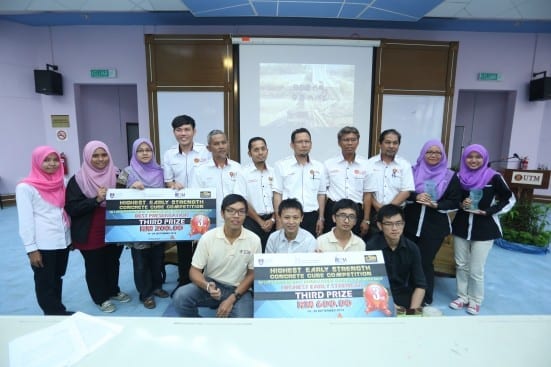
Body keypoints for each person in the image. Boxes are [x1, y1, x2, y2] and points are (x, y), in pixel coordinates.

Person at [65, 140, 131, 313]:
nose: (101, 159)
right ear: (87, 157)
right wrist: (96, 200)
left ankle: (113, 290)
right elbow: (72, 207)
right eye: (95, 155)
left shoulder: (117, 174)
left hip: (115, 226)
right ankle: (100, 298)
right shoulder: (78, 180)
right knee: (95, 265)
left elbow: (126, 197)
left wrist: (135, 188)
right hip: (90, 228)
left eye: (104, 155)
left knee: (112, 261)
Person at [449, 144, 515, 315]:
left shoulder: (494, 177)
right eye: (470, 157)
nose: (473, 160)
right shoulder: (459, 176)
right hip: (462, 226)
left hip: (485, 228)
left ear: (484, 158)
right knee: (461, 264)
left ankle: (475, 300)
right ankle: (462, 296)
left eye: (478, 157)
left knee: (476, 268)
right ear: (464, 158)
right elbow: (454, 197)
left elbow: (509, 199)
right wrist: (460, 204)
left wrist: (490, 211)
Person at [172, 194, 261, 318]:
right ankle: (199, 325)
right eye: (231, 211)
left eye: (241, 211)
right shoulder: (208, 237)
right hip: (211, 284)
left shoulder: (254, 240)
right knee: (180, 296)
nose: (236, 215)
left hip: (239, 289)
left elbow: (252, 274)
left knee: (243, 321)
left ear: (246, 215)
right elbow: (194, 271)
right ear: (222, 213)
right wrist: (207, 286)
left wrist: (231, 299)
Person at [15, 146, 73, 315]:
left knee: (57, 277)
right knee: (44, 281)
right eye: (46, 160)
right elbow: (25, 221)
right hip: (43, 243)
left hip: (63, 240)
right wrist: (31, 249)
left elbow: (64, 211)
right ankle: (54, 314)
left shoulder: (62, 181)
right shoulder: (25, 187)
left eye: (55, 160)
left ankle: (57, 309)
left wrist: (69, 238)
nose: (52, 164)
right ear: (37, 162)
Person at [403, 139, 461, 305]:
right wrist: (416, 196)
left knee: (425, 262)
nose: (433, 155)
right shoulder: (412, 171)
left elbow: (455, 201)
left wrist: (436, 205)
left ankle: (425, 298)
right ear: (423, 153)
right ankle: (406, 293)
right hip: (410, 224)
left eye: (438, 153)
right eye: (429, 152)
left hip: (434, 227)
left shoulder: (450, 176)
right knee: (407, 259)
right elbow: (404, 190)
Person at [117, 138, 169, 309]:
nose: (145, 153)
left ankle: (157, 287)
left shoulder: (160, 171)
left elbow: (169, 191)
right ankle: (145, 294)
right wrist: (129, 188)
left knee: (157, 259)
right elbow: (116, 193)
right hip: (137, 225)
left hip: (158, 224)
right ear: (134, 152)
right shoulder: (126, 172)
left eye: (148, 150)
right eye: (140, 150)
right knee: (140, 263)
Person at [162, 115, 210, 287]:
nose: (183, 133)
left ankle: (201, 283)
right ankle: (183, 282)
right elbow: (168, 181)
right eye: (179, 130)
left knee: (203, 246)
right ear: (174, 132)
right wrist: (172, 184)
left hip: (202, 207)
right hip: (180, 207)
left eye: (187, 129)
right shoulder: (169, 154)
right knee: (183, 247)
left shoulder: (205, 151)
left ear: (194, 131)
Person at [366, 204, 426, 310]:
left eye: (399, 223)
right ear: (380, 226)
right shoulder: (371, 247)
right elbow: (371, 284)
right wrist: (392, 308)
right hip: (378, 296)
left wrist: (412, 313)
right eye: (388, 224)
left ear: (403, 224)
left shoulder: (412, 248)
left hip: (403, 295)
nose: (394, 228)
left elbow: (420, 285)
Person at [272, 128, 327, 237]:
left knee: (310, 250)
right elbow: (277, 194)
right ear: (292, 145)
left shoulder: (319, 166)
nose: (304, 145)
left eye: (307, 142)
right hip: (289, 216)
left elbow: (321, 194)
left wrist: (321, 218)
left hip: (311, 216)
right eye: (300, 142)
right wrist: (279, 220)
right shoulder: (281, 165)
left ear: (311, 144)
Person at [364, 129, 415, 238]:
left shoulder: (404, 165)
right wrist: (377, 206)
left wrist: (387, 209)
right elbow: (366, 190)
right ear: (380, 144)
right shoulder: (369, 164)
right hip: (374, 212)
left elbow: (406, 191)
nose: (391, 146)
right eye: (388, 142)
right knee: (374, 245)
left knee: (394, 245)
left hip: (397, 213)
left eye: (395, 143)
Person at [323, 126, 370, 237]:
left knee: (354, 244)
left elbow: (368, 194)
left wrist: (366, 220)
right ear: (339, 142)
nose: (350, 143)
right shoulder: (329, 164)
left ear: (358, 142)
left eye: (353, 140)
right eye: (346, 140)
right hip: (333, 210)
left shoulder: (366, 164)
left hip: (356, 210)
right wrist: (322, 217)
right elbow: (323, 193)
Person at [191, 130, 242, 227]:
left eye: (223, 142)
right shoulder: (200, 171)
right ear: (209, 148)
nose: (221, 146)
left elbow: (242, 196)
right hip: (211, 222)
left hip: (235, 220)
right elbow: (196, 199)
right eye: (216, 144)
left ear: (228, 144)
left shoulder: (238, 168)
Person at [234, 137, 275, 252]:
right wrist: (260, 221)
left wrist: (272, 220)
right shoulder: (243, 173)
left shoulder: (274, 172)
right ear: (249, 153)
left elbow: (278, 198)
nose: (260, 152)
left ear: (267, 150)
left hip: (273, 221)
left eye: (263, 149)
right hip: (252, 221)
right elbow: (242, 200)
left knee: (271, 255)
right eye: (256, 150)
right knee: (252, 255)